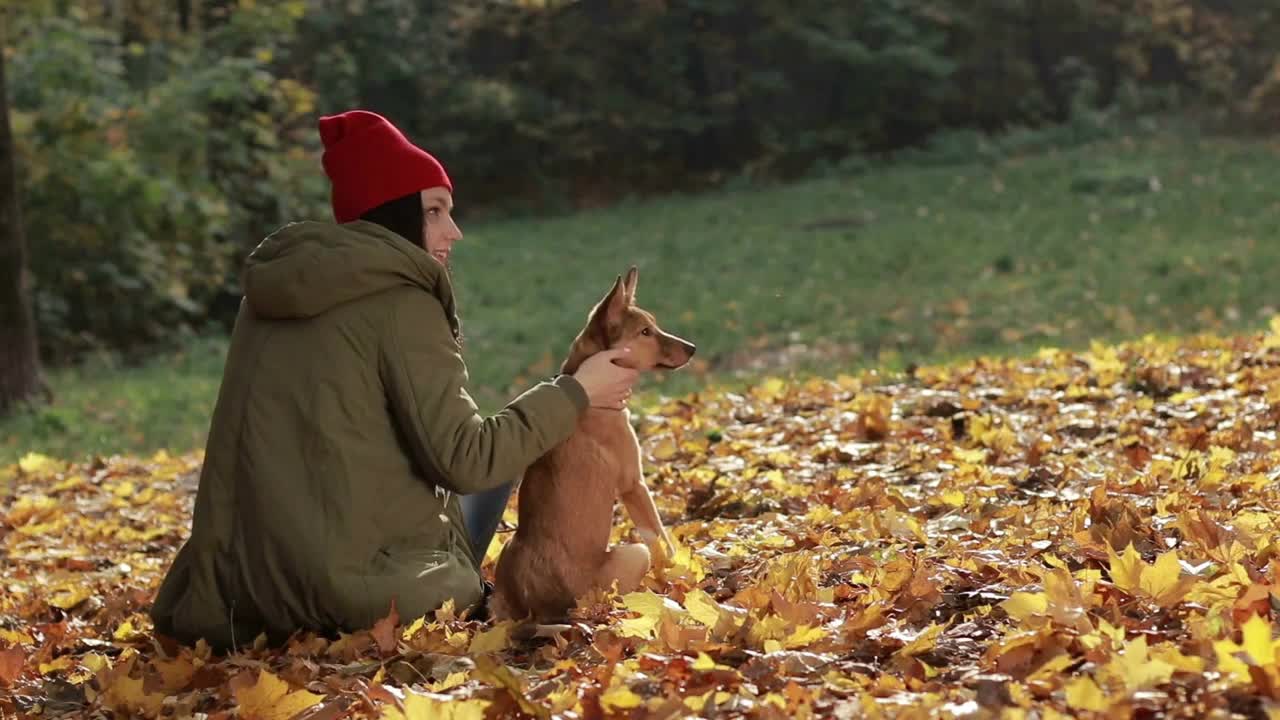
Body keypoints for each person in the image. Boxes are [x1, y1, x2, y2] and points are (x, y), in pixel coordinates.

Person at [149, 110, 638, 651]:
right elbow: (467, 462)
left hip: (235, 595)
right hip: (347, 594)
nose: (454, 230)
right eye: (434, 211)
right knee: (499, 461)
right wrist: (577, 390)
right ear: (393, 216)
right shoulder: (401, 301)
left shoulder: (265, 299)